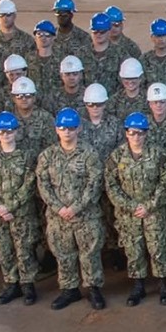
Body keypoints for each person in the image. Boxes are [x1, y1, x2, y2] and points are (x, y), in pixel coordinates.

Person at [38, 107, 107, 311]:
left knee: (90, 254)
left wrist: (76, 207)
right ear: (56, 129)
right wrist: (59, 208)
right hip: (58, 217)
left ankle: (93, 288)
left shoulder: (89, 153)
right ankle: (69, 289)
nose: (66, 132)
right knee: (63, 254)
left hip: (85, 215)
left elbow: (94, 183)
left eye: (71, 128)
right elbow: (43, 184)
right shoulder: (47, 155)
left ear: (78, 129)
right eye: (62, 128)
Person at [106, 112, 166, 306]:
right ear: (126, 133)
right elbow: (111, 185)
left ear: (146, 133)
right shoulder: (116, 156)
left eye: (140, 133)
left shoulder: (158, 154)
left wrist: (150, 205)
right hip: (129, 214)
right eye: (132, 132)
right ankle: (138, 285)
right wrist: (131, 206)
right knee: (133, 250)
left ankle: (163, 284)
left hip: (153, 211)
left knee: (158, 248)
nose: (136, 137)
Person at [0, 113, 42, 303]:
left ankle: (28, 284)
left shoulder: (27, 156)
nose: (6, 135)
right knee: (4, 250)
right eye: (2, 132)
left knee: (24, 250)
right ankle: (11, 283)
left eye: (9, 131)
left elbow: (29, 184)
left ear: (16, 132)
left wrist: (11, 206)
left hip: (21, 214)